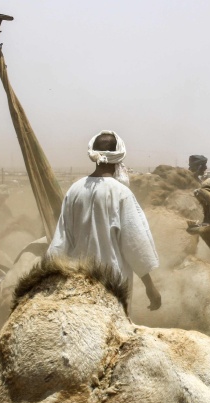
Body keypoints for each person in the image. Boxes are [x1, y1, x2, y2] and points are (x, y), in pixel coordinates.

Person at [48, 131, 161, 311]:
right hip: (112, 288)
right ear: (119, 157)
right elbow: (135, 245)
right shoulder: (121, 194)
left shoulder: (75, 190)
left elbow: (61, 240)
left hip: (78, 287)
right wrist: (150, 287)